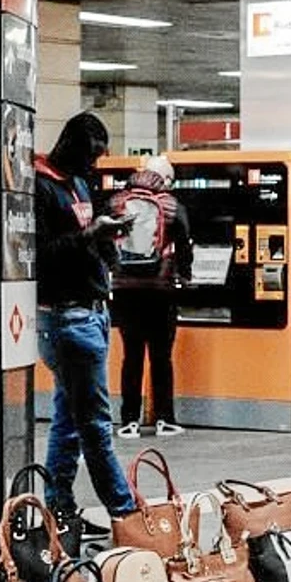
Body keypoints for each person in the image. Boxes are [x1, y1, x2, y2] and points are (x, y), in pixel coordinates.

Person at [34, 113, 140, 537]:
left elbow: (83, 240)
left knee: (69, 419)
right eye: (91, 156)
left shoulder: (77, 184)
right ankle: (124, 510)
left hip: (91, 311)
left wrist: (104, 236)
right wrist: (88, 234)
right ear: (71, 146)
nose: (95, 166)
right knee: (95, 422)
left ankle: (58, 506)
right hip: (65, 316)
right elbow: (40, 253)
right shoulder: (40, 187)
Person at [110, 157, 193, 439]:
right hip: (160, 292)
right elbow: (184, 245)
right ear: (166, 180)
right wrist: (185, 275)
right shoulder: (171, 206)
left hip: (124, 292)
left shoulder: (117, 202)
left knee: (131, 356)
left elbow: (104, 240)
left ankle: (129, 421)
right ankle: (164, 419)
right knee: (161, 357)